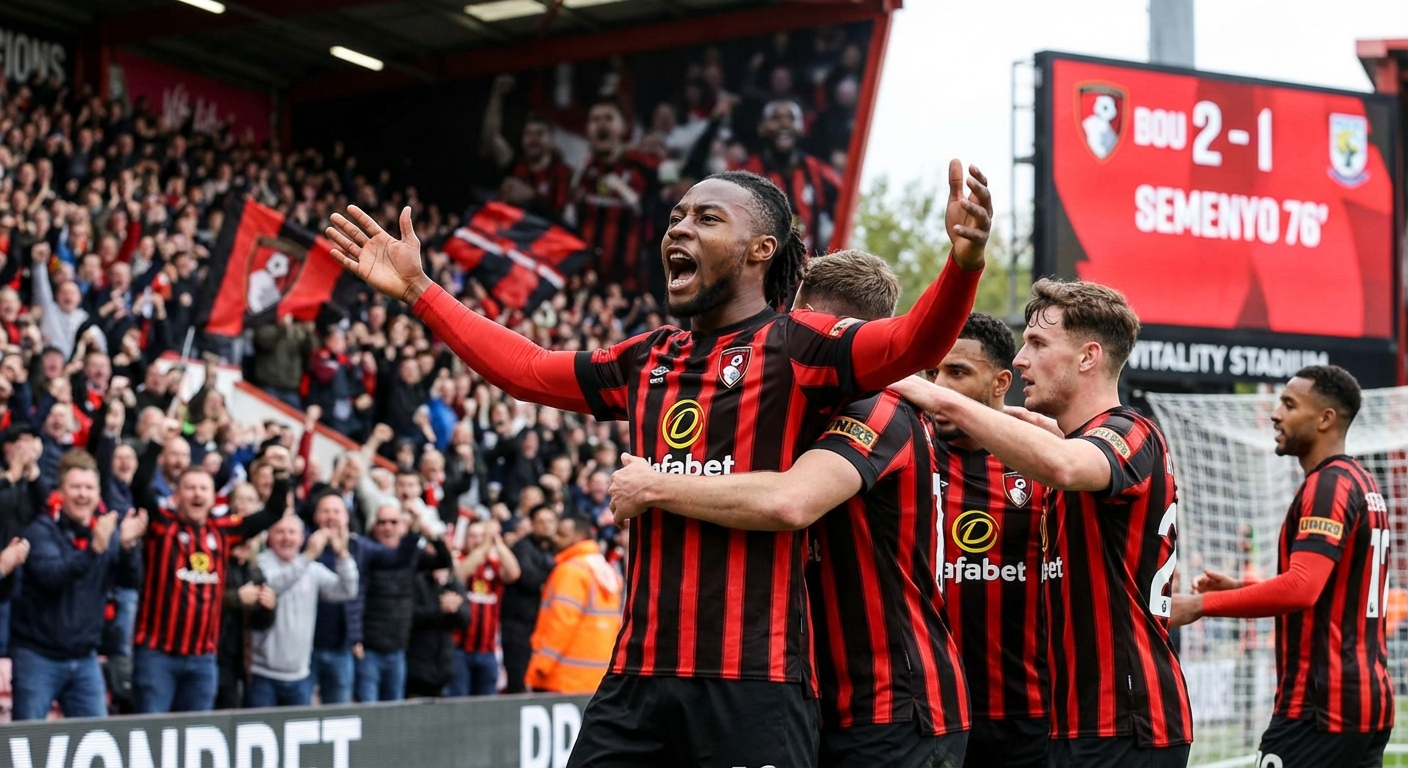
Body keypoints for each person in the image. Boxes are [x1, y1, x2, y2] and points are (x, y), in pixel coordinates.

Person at [328, 162, 988, 766]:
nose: (680, 228)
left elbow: (911, 343)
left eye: (707, 218)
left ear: (761, 249)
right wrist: (419, 290)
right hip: (636, 680)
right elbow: (527, 370)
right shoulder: (647, 359)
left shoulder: (801, 346)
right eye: (676, 217)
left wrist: (963, 263)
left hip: (753, 682)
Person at [608, 251, 969, 767]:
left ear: (822, 326)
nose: (782, 334)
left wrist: (654, 485)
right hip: (826, 699)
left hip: (894, 704)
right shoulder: (806, 407)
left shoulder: (877, 406)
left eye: (794, 320)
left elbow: (789, 501)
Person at [890, 279, 1193, 767]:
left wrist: (936, 396)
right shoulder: (1077, 441)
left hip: (1126, 721)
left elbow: (1064, 466)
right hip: (1074, 721)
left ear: (1088, 357)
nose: (1020, 360)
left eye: (1037, 344)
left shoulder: (1130, 431)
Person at [1170, 366, 1394, 766]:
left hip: (1321, 708)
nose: (1275, 414)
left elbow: (1302, 589)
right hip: (1365, 702)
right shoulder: (1361, 482)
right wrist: (1240, 589)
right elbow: (1326, 590)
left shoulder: (1329, 485)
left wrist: (1200, 606)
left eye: (1289, 405)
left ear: (1325, 418)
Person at [928, 313, 1049, 768]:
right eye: (933, 373)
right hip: (928, 714)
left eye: (957, 372)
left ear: (1001, 382)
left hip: (1026, 716)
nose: (939, 387)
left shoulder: (1046, 463)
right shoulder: (906, 453)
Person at [130, 420, 291, 714]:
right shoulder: (161, 524)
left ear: (213, 496)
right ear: (176, 494)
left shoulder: (224, 531)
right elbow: (139, 487)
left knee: (195, 734)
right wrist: (155, 444)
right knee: (152, 733)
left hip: (203, 659)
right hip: (157, 655)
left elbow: (272, 512)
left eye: (203, 488)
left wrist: (280, 473)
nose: (197, 494)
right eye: (190, 488)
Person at [11, 458, 147, 719]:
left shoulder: (105, 533)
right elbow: (53, 576)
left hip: (85, 658)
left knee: (97, 736)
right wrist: (94, 550)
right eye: (75, 487)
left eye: (89, 488)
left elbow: (129, 581)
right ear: (60, 492)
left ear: (98, 494)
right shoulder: (41, 531)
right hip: (38, 657)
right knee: (27, 738)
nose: (82, 494)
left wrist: (128, 547)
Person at [308, 491, 421, 705]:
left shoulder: (358, 546)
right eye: (325, 511)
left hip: (342, 647)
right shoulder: (303, 542)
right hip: (306, 647)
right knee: (301, 713)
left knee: (340, 714)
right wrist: (309, 553)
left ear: (346, 517)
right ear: (315, 516)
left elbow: (397, 558)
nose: (331, 517)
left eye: (336, 511)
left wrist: (413, 530)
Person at [248, 516, 359, 707]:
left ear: (301, 538)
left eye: (292, 532)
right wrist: (307, 556)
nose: (286, 538)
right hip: (263, 674)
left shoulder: (312, 569)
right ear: (269, 537)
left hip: (300, 676)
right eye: (280, 532)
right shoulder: (260, 563)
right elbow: (273, 585)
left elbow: (347, 591)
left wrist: (342, 555)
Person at [356, 503, 452, 702]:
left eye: (393, 522)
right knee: (369, 711)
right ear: (373, 526)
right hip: (369, 650)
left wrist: (429, 533)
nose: (387, 527)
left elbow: (443, 561)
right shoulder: (365, 551)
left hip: (398, 650)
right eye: (382, 522)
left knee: (394, 713)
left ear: (401, 526)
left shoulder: (410, 554)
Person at [568, 99, 662, 292]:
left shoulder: (644, 166)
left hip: (630, 284)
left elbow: (662, 213)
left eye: (609, 118)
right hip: (587, 281)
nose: (601, 125)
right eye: (595, 119)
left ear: (623, 127)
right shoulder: (582, 171)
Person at [526, 512, 622, 695]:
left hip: (562, 677)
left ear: (579, 536)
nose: (556, 538)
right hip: (596, 675)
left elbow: (561, 624)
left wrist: (541, 666)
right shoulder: (603, 568)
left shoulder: (571, 571)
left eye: (562, 534)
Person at [742, 98, 843, 254]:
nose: (784, 124)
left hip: (810, 263)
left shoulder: (819, 172)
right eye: (775, 118)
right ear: (762, 128)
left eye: (791, 118)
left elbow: (848, 204)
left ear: (802, 127)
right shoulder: (746, 175)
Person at [449, 518, 521, 696]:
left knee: (486, 703)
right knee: (459, 702)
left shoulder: (494, 565)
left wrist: (498, 542)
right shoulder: (459, 559)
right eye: (472, 536)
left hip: (488, 650)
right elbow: (460, 575)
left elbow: (514, 574)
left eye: (481, 536)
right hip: (460, 650)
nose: (478, 540)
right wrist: (484, 546)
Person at [502, 504, 558, 694]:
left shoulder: (556, 549)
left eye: (550, 521)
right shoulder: (522, 547)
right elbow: (530, 579)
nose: (546, 526)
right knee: (518, 678)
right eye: (541, 521)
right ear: (532, 524)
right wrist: (554, 576)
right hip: (518, 624)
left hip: (544, 624)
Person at [406, 562, 469, 698]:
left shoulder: (453, 583)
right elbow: (411, 616)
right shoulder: (416, 580)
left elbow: (465, 619)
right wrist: (440, 609)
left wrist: (455, 609)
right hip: (418, 667)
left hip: (444, 666)